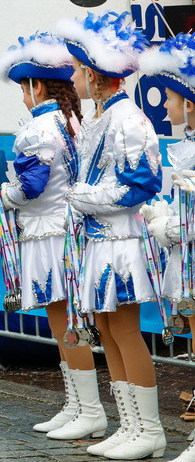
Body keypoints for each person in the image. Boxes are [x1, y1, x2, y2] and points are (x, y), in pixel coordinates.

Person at [54, 11, 164, 459]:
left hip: (121, 241)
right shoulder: (101, 118)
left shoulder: (130, 120)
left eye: (79, 72)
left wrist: (85, 198)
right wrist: (85, 200)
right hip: (98, 241)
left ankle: (151, 429)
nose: (75, 79)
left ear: (96, 76)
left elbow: (143, 183)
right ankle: (129, 423)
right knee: (105, 328)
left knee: (125, 329)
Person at [0, 32, 102, 440]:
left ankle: (89, 410)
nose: (23, 97)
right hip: (66, 231)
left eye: (24, 89)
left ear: (35, 86)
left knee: (66, 324)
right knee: (66, 323)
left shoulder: (39, 127)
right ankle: (77, 405)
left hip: (49, 234)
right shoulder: (71, 121)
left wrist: (3, 195)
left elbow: (31, 186)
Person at [138, 34, 195, 462]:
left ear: (190, 105)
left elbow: (191, 217)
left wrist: (167, 228)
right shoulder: (186, 148)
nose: (166, 106)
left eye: (172, 98)